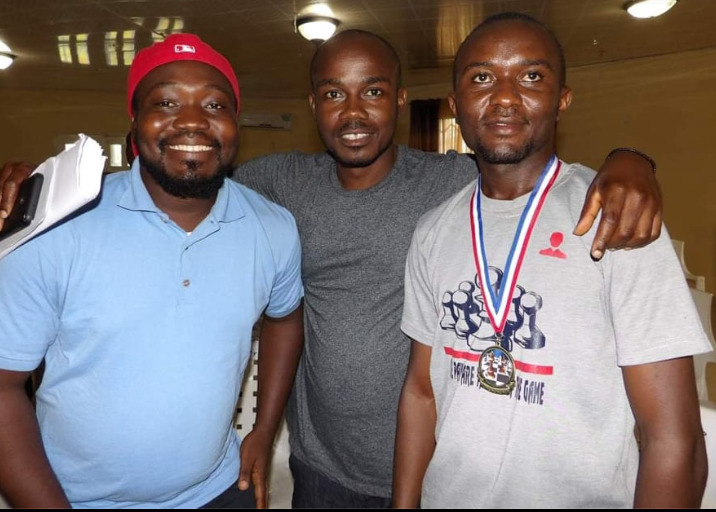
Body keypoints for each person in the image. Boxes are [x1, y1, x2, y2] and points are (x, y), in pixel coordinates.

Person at [0, 29, 664, 509]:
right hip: (320, 467)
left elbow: (521, 162)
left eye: (372, 92)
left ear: (402, 101)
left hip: (434, 468)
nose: (352, 113)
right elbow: (183, 167)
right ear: (313, 104)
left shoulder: (449, 182)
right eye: (332, 93)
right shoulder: (275, 188)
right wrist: (37, 186)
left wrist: (633, 159)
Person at [393, 13, 710, 509]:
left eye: (531, 76)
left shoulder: (616, 219)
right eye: (481, 78)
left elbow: (674, 440)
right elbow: (420, 394)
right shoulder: (433, 230)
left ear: (562, 100)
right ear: (455, 105)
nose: (503, 96)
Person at [0, 33, 304, 509]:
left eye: (214, 105)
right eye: (165, 102)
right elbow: (3, 387)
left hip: (221, 491)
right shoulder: (58, 229)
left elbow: (286, 316)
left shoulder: (273, 227)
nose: (192, 121)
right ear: (135, 121)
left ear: (235, 122)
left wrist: (264, 432)